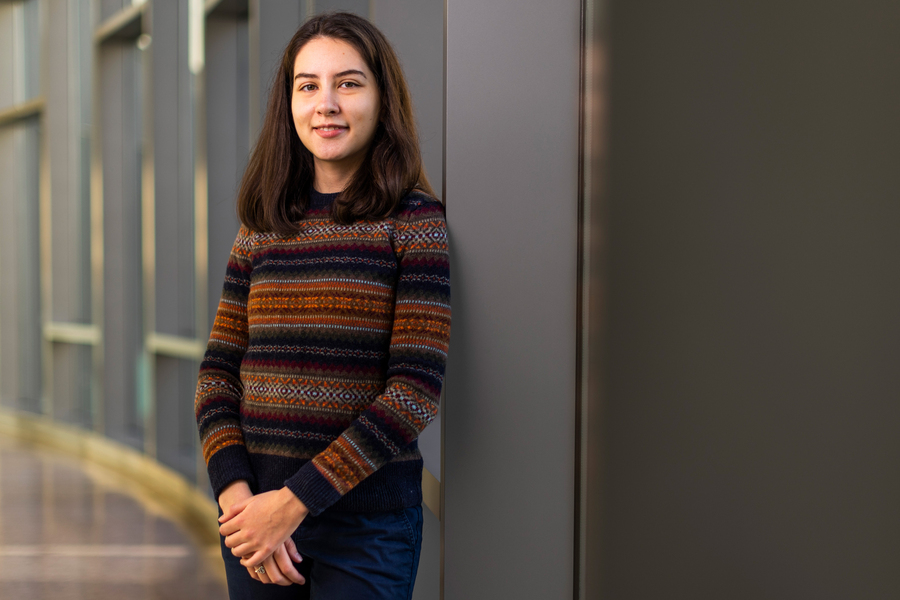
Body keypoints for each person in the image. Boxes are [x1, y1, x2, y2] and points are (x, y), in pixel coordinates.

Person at [194, 11, 450, 599]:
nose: (326, 104)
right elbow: (218, 373)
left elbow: (414, 391)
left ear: (382, 98)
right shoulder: (262, 226)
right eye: (308, 85)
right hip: (254, 523)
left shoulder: (414, 222)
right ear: (289, 103)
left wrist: (293, 503)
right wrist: (237, 499)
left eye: (348, 83)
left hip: (368, 531)